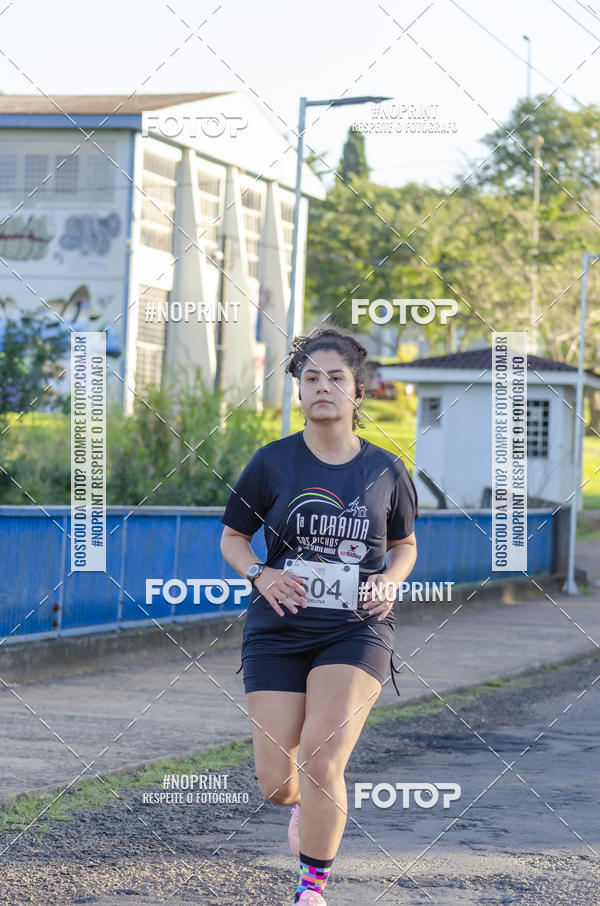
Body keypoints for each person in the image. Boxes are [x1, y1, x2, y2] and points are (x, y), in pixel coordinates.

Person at [220, 328, 419, 905]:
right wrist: (261, 573)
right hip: (277, 628)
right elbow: (233, 538)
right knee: (280, 783)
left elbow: (405, 545)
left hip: (355, 629)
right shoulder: (272, 462)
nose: (323, 388)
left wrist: (390, 578)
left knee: (322, 757)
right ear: (299, 391)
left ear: (358, 392)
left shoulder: (386, 469)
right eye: (311, 378)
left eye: (336, 378)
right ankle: (305, 810)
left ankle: (312, 889)